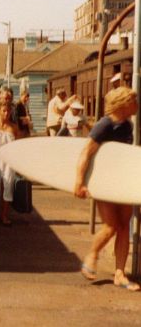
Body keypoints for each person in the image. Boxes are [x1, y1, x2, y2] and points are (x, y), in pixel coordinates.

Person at [76, 87, 139, 291]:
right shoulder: (105, 125)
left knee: (123, 227)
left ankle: (120, 274)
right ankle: (92, 255)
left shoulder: (127, 125)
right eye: (134, 100)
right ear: (124, 103)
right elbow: (86, 152)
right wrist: (79, 181)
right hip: (104, 181)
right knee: (111, 226)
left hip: (122, 181)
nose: (137, 104)